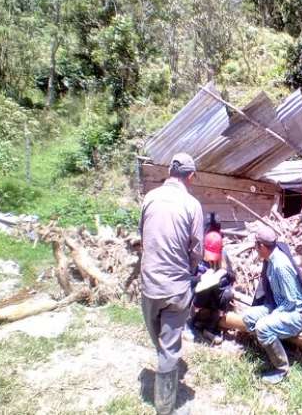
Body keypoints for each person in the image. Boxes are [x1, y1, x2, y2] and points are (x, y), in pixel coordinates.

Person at [139, 152, 203, 415]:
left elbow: (143, 234)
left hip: (149, 285)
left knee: (160, 342)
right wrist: (187, 270)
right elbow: (197, 250)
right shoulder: (192, 205)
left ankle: (164, 374)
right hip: (175, 289)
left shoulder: (149, 198)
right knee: (168, 348)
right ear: (190, 176)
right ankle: (165, 409)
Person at [242, 226, 302, 384]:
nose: (256, 249)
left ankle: (281, 368)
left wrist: (272, 315)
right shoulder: (270, 259)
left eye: (256, 246)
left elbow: (293, 301)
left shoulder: (280, 265)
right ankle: (269, 349)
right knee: (248, 317)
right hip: (280, 306)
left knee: (262, 326)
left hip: (295, 314)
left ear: (263, 246)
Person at [190, 225, 235, 344]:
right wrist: (201, 278)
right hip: (199, 293)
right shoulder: (196, 255)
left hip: (216, 291)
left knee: (228, 293)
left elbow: (232, 276)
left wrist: (223, 273)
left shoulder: (223, 254)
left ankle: (210, 328)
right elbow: (187, 280)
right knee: (203, 289)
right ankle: (190, 324)